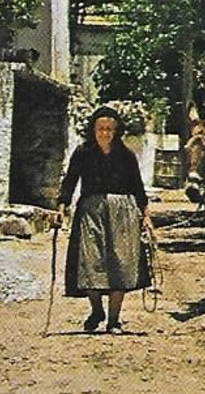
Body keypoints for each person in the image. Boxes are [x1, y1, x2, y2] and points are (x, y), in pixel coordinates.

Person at [56, 105, 154, 334]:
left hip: (122, 213)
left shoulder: (127, 155)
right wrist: (62, 206)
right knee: (90, 262)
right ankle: (97, 309)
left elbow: (138, 187)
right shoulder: (82, 153)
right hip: (90, 211)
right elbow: (70, 182)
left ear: (116, 131)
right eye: (101, 128)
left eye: (110, 129)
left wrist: (146, 215)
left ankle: (113, 320)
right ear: (93, 129)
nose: (105, 133)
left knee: (120, 265)